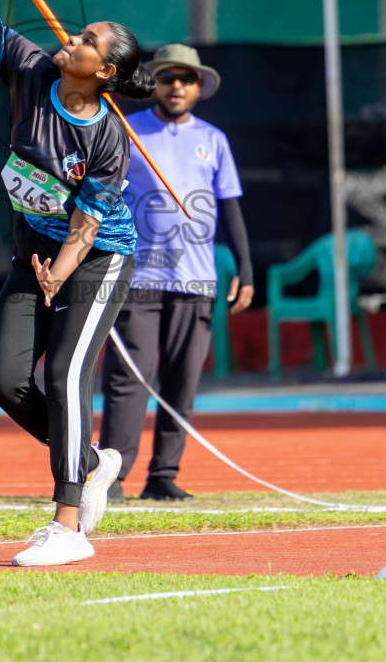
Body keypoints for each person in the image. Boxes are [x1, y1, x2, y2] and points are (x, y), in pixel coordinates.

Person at [0, 0, 155, 565]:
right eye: (78, 33)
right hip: (31, 253)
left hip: (96, 260)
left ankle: (68, 526)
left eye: (86, 41)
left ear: (107, 72)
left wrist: (57, 273)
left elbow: (88, 229)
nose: (71, 37)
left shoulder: (107, 142)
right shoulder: (32, 70)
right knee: (5, 380)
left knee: (66, 373)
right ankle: (91, 461)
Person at [99, 43, 254, 502]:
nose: (177, 87)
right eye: (168, 78)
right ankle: (114, 476)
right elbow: (102, 198)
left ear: (198, 88)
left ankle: (163, 473)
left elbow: (231, 210)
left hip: (196, 281)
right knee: (128, 380)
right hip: (138, 279)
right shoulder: (127, 131)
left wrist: (245, 269)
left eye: (187, 79)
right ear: (154, 85)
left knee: (182, 379)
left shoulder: (214, 140)